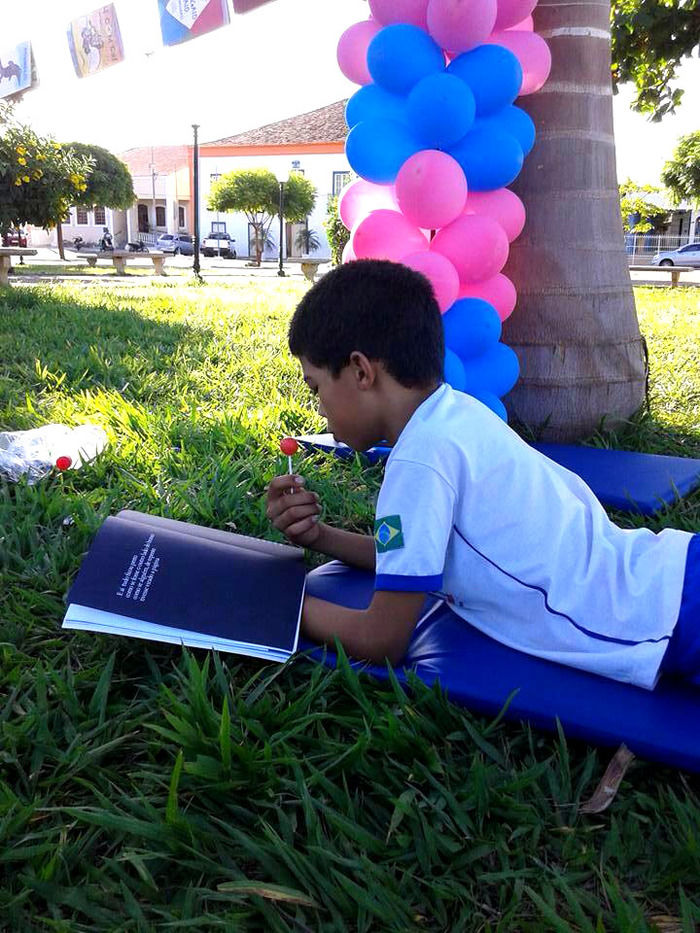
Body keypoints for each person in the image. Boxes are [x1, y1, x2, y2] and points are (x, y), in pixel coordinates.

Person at [266, 259, 699, 691]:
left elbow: (381, 639)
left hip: (669, 614)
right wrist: (320, 538)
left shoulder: (419, 461)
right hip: (670, 569)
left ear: (361, 371)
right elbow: (413, 556)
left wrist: (280, 602)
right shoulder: (456, 414)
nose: (319, 407)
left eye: (316, 387)